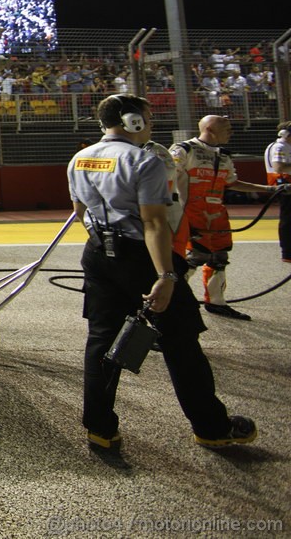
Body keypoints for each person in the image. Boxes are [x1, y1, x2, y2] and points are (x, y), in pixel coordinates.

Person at [69, 94, 256, 455]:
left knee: (102, 341)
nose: (151, 125)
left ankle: (100, 429)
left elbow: (80, 211)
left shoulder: (79, 158)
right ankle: (212, 428)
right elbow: (155, 223)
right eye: (149, 118)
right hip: (143, 257)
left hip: (96, 253)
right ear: (133, 121)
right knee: (181, 341)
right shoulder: (145, 161)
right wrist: (166, 276)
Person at [170, 115, 281, 320]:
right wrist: (174, 215)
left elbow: (232, 183)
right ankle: (172, 300)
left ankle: (216, 302)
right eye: (227, 128)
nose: (231, 132)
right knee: (196, 257)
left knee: (219, 258)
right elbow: (167, 180)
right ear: (211, 129)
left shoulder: (224, 155)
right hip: (190, 214)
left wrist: (270, 189)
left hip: (217, 215)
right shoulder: (184, 150)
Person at [263, 122, 291, 263]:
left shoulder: (282, 146)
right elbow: (279, 167)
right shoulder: (280, 147)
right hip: (285, 186)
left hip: (285, 185)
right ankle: (287, 253)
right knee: (288, 219)